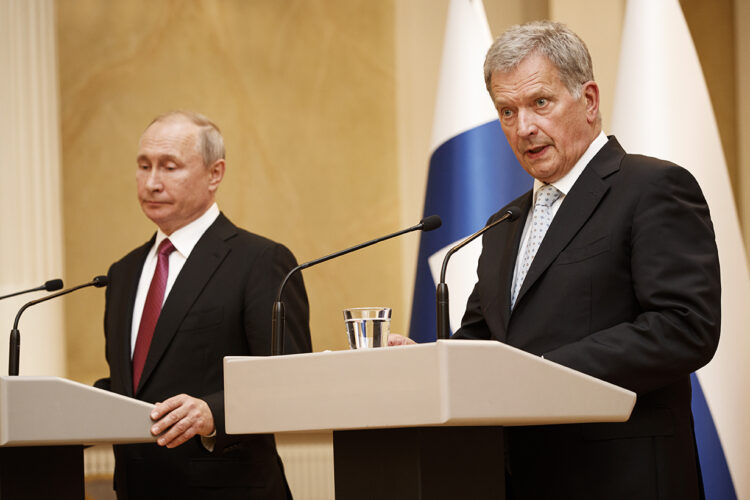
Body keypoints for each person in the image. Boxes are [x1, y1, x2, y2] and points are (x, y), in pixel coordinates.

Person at [391, 21, 720, 499]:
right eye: (507, 111)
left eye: (539, 103)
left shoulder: (651, 188)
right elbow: (486, 342)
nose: (523, 127)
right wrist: (429, 363)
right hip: (516, 477)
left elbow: (683, 326)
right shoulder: (505, 223)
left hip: (619, 478)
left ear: (588, 100)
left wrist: (545, 372)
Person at [95, 110, 312, 499]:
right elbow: (132, 384)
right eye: (144, 166)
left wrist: (214, 413)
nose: (152, 182)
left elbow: (291, 380)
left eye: (169, 167)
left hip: (226, 487)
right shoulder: (122, 272)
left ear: (215, 174)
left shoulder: (260, 260)